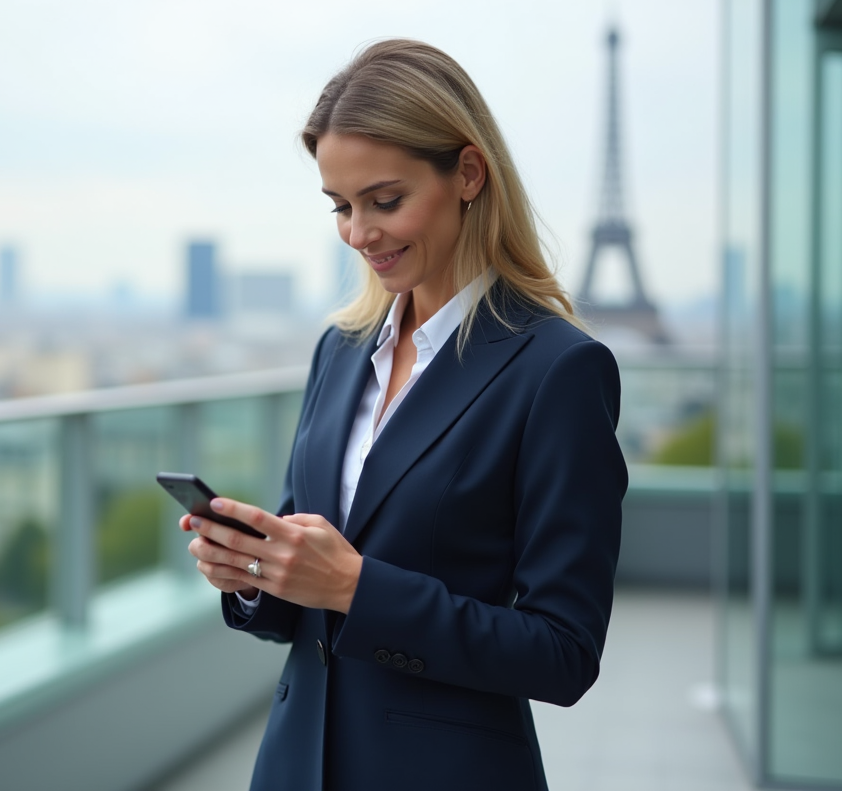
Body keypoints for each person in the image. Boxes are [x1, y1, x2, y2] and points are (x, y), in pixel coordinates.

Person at [178, 39, 627, 791]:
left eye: (385, 201)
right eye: (341, 207)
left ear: (469, 175)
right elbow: (308, 587)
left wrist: (358, 588)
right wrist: (255, 574)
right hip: (296, 765)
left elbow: (563, 652)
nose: (359, 233)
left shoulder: (558, 371)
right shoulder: (341, 349)